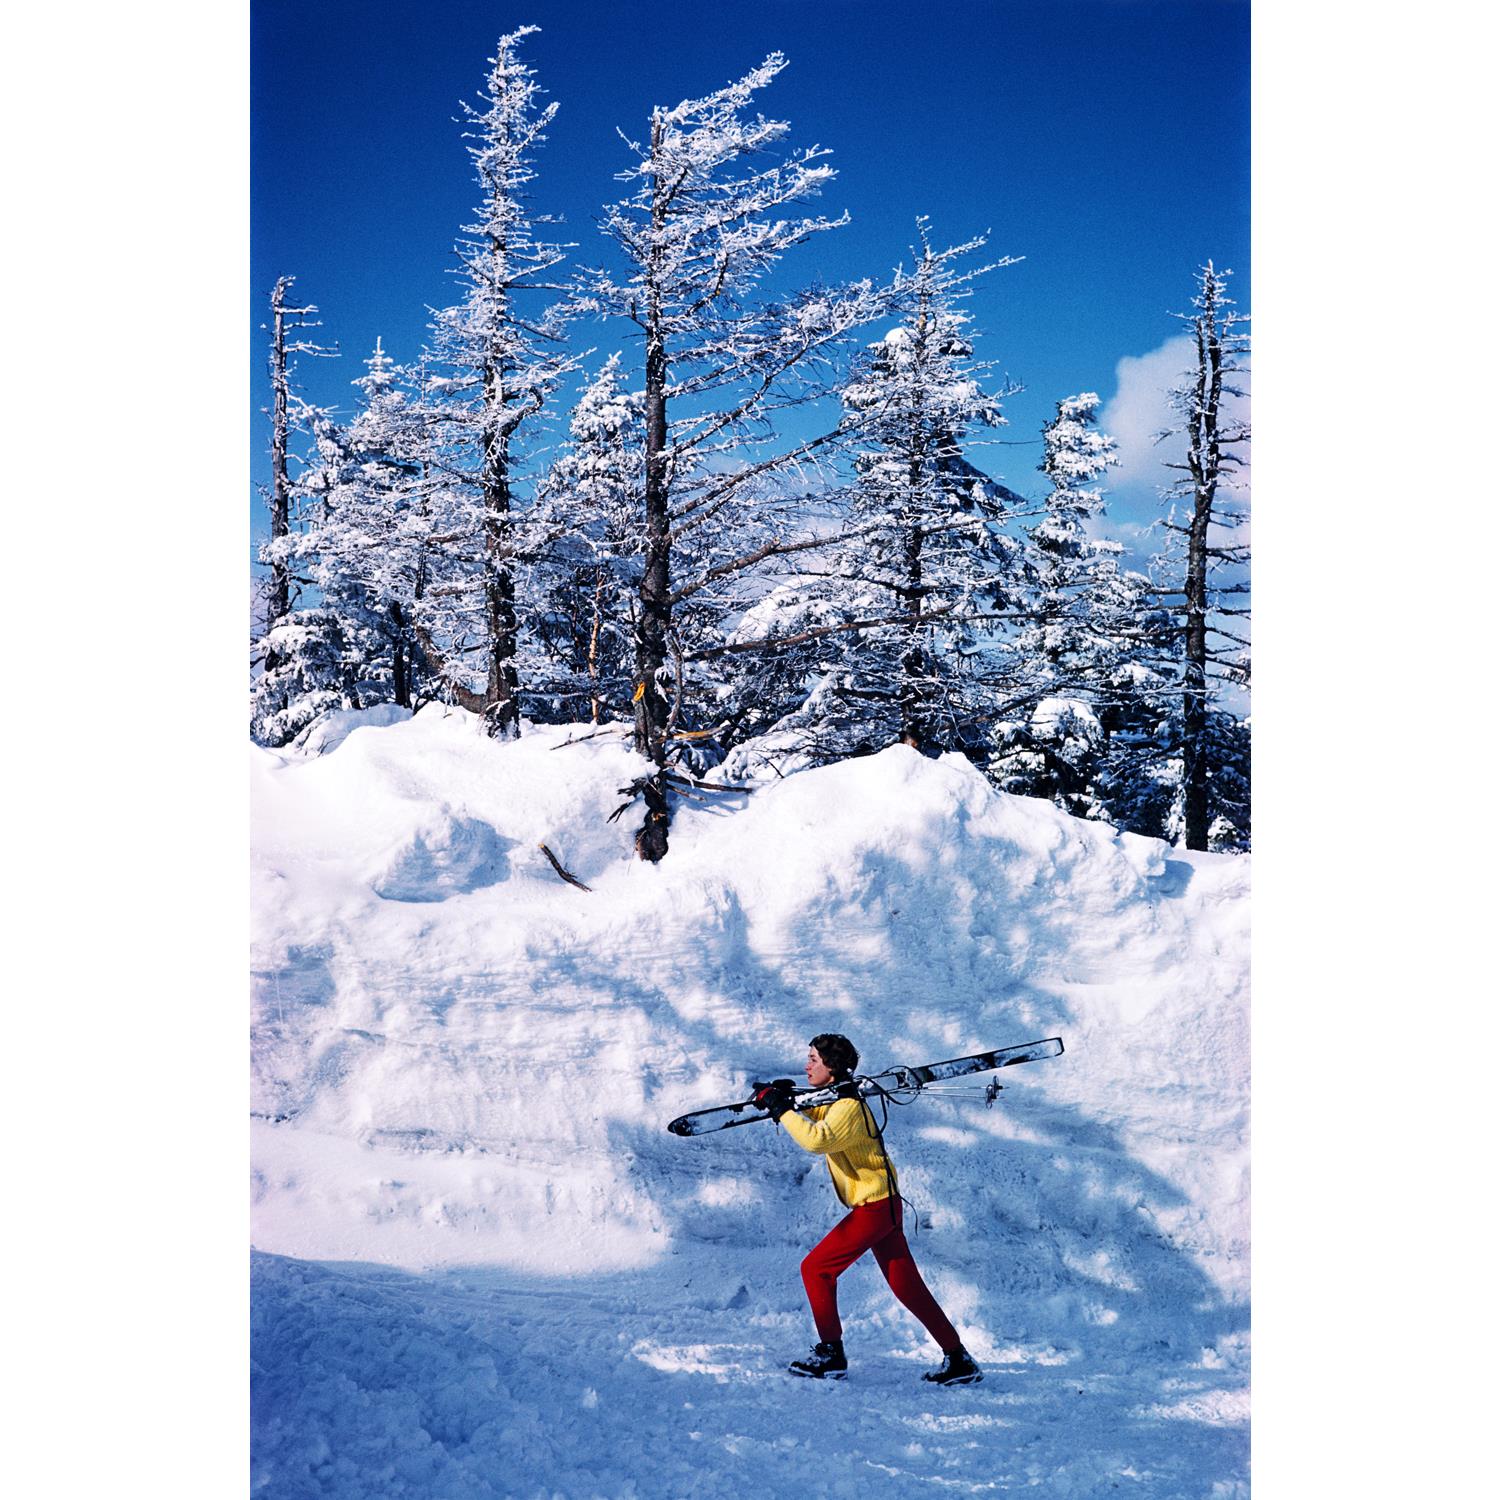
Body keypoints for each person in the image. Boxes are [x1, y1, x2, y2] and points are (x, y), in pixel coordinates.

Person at [753, 1033, 982, 1385]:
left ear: (831, 1067)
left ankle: (831, 1354)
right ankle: (958, 1359)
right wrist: (788, 1097)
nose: (806, 1065)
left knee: (816, 1269)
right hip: (883, 1205)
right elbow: (818, 1114)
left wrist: (782, 1109)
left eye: (813, 1059)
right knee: (908, 1287)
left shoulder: (848, 1108)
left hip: (874, 1209)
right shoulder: (840, 1100)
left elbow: (818, 1139)